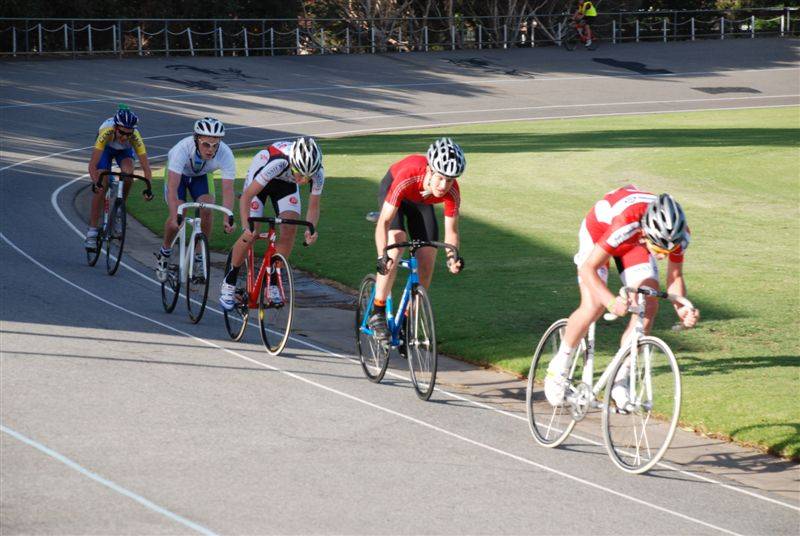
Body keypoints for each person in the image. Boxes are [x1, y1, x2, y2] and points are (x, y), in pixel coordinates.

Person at [544, 186, 700, 409]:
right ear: (647, 232)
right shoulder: (625, 222)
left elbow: (675, 276)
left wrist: (681, 306)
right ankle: (559, 366)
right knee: (593, 306)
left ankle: (621, 377)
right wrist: (610, 302)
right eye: (658, 250)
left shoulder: (678, 234)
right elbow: (588, 269)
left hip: (634, 244)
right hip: (600, 234)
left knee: (648, 304)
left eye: (666, 252)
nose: (661, 256)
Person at [367, 137, 466, 342]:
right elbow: (384, 223)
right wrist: (381, 255)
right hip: (397, 193)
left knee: (428, 258)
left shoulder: (452, 191)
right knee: (396, 244)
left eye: (450, 180)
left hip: (421, 202)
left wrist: (452, 258)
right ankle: (377, 311)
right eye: (440, 178)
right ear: (430, 170)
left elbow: (452, 231)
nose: (444, 185)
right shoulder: (408, 176)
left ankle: (406, 321)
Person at [218, 137, 323, 310]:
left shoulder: (318, 173)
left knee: (290, 228)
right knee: (252, 231)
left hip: (286, 184)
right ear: (293, 163)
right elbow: (246, 197)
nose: (304, 180)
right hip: (261, 178)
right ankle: (229, 280)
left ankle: (273, 280)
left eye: (308, 177)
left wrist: (310, 229)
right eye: (300, 173)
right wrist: (247, 226)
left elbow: (313, 207)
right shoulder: (278, 162)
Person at [155, 117, 235, 281]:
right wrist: (174, 215)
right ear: (196, 139)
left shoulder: (226, 153)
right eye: (206, 144)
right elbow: (172, 187)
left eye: (215, 145)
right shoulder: (182, 149)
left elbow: (228, 190)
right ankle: (165, 252)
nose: (210, 150)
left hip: (201, 177)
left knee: (207, 207)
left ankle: (199, 256)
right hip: (179, 178)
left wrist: (227, 217)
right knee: (179, 210)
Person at [85, 105, 153, 250]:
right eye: (122, 133)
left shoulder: (135, 137)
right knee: (101, 184)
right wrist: (95, 181)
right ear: (115, 128)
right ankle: (92, 232)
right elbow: (92, 165)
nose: (124, 137)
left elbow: (146, 167)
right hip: (106, 150)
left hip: (124, 152)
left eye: (129, 134)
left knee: (128, 173)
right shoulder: (106, 132)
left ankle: (119, 209)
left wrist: (149, 188)